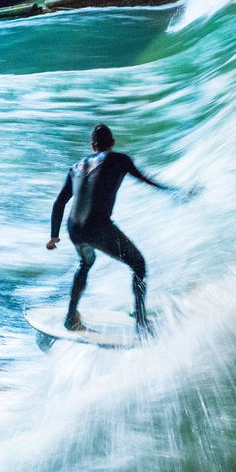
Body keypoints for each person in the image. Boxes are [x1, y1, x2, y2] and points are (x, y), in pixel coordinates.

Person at [47, 124, 171, 335]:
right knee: (138, 265)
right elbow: (146, 180)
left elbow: (59, 203)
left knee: (85, 263)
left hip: (74, 227)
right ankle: (141, 323)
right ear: (112, 143)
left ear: (92, 145)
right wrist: (172, 191)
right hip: (97, 227)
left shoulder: (75, 167)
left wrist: (54, 236)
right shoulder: (120, 159)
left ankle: (71, 318)